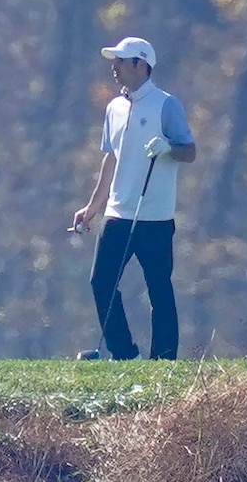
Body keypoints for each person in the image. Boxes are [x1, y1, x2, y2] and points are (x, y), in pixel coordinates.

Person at [72, 37, 196, 360]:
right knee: (101, 282)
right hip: (118, 214)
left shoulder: (167, 105)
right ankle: (124, 353)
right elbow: (111, 159)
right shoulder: (114, 108)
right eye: (114, 61)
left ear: (141, 65)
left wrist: (168, 148)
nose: (114, 67)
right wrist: (93, 207)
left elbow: (190, 151)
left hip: (155, 217)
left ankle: (164, 359)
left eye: (121, 61)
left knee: (159, 289)